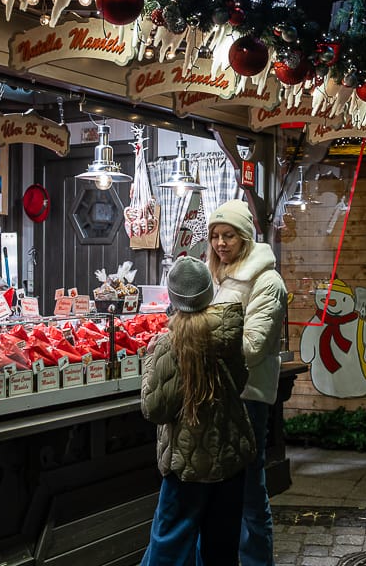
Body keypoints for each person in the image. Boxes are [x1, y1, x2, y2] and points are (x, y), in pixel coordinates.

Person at [139, 256, 255, 565]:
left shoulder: (170, 343)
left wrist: (151, 359)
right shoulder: (229, 332)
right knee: (221, 550)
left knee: (170, 547)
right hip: (230, 459)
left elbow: (155, 408)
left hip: (186, 466)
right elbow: (241, 380)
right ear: (208, 293)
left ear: (173, 297)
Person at [206, 199, 287, 566]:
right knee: (226, 493)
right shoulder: (218, 275)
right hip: (220, 394)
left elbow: (253, 346)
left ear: (245, 237)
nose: (221, 243)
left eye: (229, 236)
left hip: (249, 395)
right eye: (215, 236)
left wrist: (200, 340)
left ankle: (257, 561)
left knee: (251, 493)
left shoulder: (267, 281)